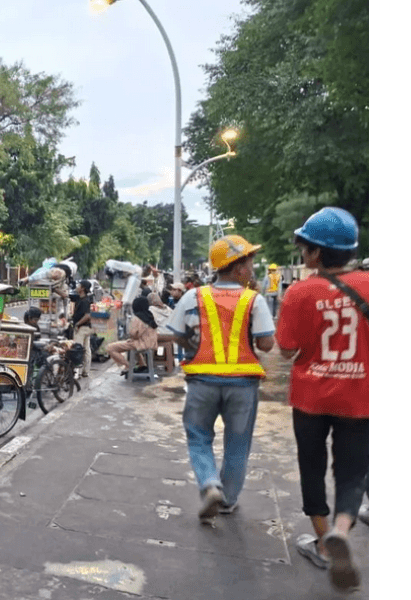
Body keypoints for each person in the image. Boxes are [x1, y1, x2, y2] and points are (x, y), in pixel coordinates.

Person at [275, 207, 368, 592]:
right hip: (361, 396)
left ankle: (322, 540)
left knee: (311, 467)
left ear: (314, 253)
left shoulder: (300, 292)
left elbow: (285, 349)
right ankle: (344, 529)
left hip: (310, 397)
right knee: (352, 471)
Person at [160, 235, 275, 523]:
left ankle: (210, 483)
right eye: (249, 263)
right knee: (238, 443)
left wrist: (192, 344)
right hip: (243, 385)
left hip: (201, 382)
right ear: (237, 268)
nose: (253, 268)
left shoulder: (193, 296)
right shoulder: (254, 300)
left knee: (198, 438)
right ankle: (227, 501)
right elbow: (266, 344)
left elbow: (175, 333)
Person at [105, 296, 159, 377]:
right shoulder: (150, 316)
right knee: (132, 347)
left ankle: (128, 366)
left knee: (110, 348)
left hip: (141, 343)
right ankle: (142, 365)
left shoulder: (137, 318)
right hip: (151, 344)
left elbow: (133, 334)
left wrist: (130, 334)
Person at [69, 280, 94, 378]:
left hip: (82, 328)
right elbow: (69, 296)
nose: (77, 286)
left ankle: (77, 372)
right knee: (86, 349)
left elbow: (87, 316)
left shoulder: (85, 301)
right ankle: (85, 371)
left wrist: (77, 324)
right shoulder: (82, 299)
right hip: (86, 328)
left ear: (83, 288)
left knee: (78, 349)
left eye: (79, 285)